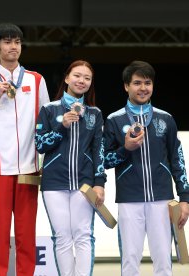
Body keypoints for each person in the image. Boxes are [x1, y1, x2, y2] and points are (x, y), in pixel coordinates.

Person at [0, 23, 50, 276]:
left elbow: (46, 121)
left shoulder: (36, 80)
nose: (13, 46)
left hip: (29, 169)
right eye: (7, 42)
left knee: (27, 234)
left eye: (16, 41)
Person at [103, 60, 189, 276]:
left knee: (162, 259)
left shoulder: (165, 119)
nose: (143, 88)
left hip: (162, 199)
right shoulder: (114, 120)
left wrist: (185, 197)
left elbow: (177, 160)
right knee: (130, 260)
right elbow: (104, 161)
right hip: (129, 200)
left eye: (147, 83)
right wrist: (126, 148)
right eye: (137, 83)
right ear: (126, 86)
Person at [35, 60, 106, 276]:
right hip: (54, 184)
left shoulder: (94, 114)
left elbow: (98, 151)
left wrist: (99, 183)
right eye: (77, 75)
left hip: (84, 185)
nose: (81, 81)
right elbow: (40, 145)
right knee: (63, 236)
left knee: (83, 234)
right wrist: (61, 126)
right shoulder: (49, 109)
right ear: (66, 78)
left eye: (87, 78)